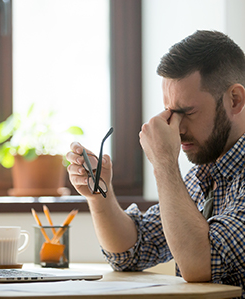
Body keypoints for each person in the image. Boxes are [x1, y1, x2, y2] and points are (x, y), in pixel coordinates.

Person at [66, 30, 245, 296]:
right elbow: (131, 252)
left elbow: (201, 264)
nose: (176, 127)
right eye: (170, 113)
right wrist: (99, 195)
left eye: (187, 112)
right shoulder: (203, 176)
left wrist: (164, 162)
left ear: (235, 100)